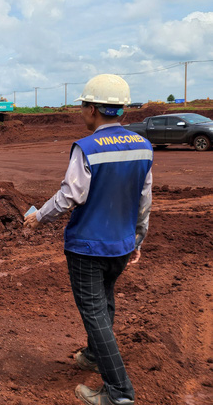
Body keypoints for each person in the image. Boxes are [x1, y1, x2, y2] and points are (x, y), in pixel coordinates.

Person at [24, 74, 152, 405]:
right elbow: (144, 199)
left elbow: (70, 196)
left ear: (92, 109)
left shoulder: (88, 148)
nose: (82, 110)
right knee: (105, 300)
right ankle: (95, 355)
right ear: (121, 109)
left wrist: (39, 216)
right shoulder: (143, 146)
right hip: (121, 244)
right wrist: (137, 238)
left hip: (87, 246)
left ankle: (120, 392)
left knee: (94, 312)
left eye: (83, 105)